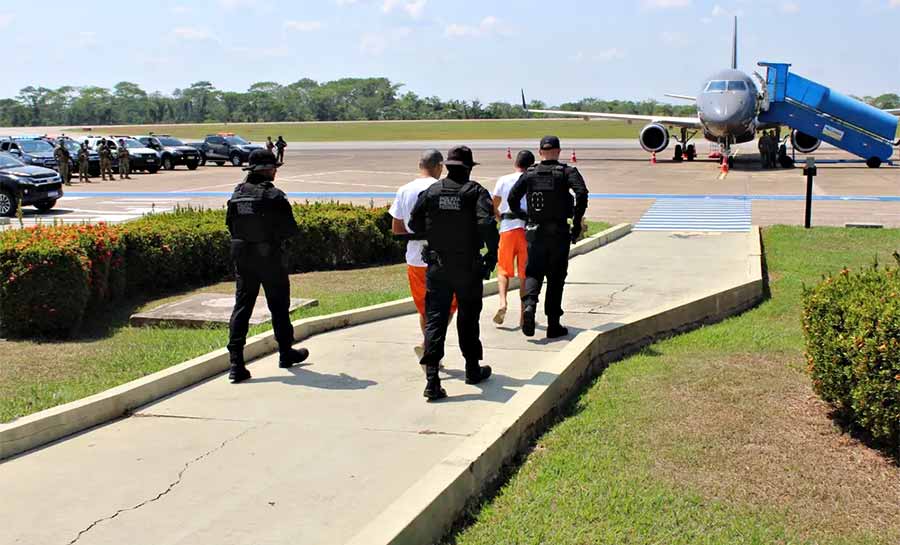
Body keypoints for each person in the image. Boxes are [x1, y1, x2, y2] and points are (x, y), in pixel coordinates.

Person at [409, 145, 498, 401]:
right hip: (467, 266)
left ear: (447, 166)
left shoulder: (432, 191)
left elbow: (414, 223)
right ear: (469, 168)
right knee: (468, 318)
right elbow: (486, 224)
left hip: (438, 266)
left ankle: (432, 379)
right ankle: (472, 368)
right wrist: (491, 255)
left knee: (436, 319)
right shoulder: (476, 192)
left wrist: (435, 235)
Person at [226, 149, 309, 383]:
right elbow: (291, 229)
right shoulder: (273, 196)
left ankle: (236, 363)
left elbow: (231, 226)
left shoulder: (237, 194)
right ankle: (285, 352)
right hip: (270, 257)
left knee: (242, 307)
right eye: (273, 168)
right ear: (268, 170)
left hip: (243, 258)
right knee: (279, 306)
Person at [508, 136, 589, 339]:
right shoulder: (567, 172)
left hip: (536, 232)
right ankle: (553, 324)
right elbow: (581, 193)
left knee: (534, 272)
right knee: (556, 277)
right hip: (559, 232)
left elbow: (512, 199)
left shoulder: (530, 173)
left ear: (540, 152)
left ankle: (529, 305)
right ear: (559, 151)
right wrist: (577, 220)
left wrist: (525, 217)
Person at [389, 149, 457, 362]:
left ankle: (429, 346)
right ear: (439, 166)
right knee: (448, 305)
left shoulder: (404, 190)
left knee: (424, 307)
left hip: (415, 257)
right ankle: (430, 346)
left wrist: (417, 234)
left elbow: (397, 228)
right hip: (443, 256)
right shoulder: (443, 188)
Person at [491, 149, 534, 327]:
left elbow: (493, 204)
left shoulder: (503, 180)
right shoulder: (532, 179)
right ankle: (524, 315)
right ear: (531, 165)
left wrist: (499, 217)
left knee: (503, 270)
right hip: (526, 230)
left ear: (515, 163)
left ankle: (502, 302)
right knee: (525, 275)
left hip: (507, 229)